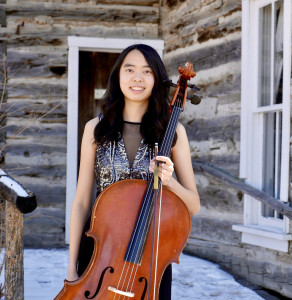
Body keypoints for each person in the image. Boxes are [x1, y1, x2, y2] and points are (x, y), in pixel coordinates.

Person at [67, 44, 200, 299]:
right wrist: (72, 267)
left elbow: (193, 205)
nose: (137, 78)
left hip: (150, 261)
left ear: (157, 80)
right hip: (98, 255)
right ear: (118, 76)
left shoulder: (174, 133)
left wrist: (169, 182)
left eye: (146, 71)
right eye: (130, 70)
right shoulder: (95, 129)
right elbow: (82, 201)